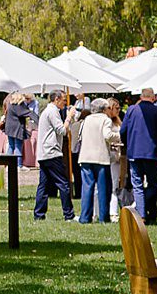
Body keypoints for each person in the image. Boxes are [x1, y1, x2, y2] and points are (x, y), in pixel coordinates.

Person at [120, 88, 157, 218]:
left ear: (141, 96)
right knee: (154, 184)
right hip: (152, 152)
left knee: (137, 185)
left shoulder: (131, 110)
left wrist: (128, 143)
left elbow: (123, 131)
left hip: (134, 152)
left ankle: (141, 213)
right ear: (153, 97)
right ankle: (144, 208)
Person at [34, 90, 74, 220]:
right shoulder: (52, 112)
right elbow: (62, 130)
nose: (65, 103)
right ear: (56, 99)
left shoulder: (47, 111)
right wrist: (69, 117)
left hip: (43, 153)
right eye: (63, 100)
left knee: (43, 186)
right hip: (52, 153)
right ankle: (69, 214)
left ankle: (39, 214)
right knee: (63, 184)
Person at [75, 99, 114, 223]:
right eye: (108, 108)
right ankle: (104, 217)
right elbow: (107, 135)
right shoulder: (105, 120)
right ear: (103, 109)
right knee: (104, 189)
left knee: (87, 188)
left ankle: (85, 217)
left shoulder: (87, 119)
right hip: (101, 158)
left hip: (85, 157)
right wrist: (118, 136)